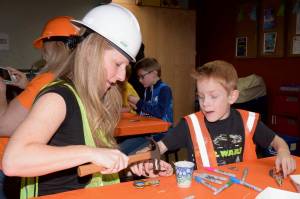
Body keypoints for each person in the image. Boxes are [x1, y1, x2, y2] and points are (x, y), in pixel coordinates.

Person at [2, 3, 142, 198]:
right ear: (91, 53)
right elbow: (13, 161)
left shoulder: (94, 100)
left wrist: (129, 169)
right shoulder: (58, 98)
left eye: (125, 67)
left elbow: (89, 173)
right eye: (118, 63)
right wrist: (90, 152)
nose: (121, 76)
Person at [131, 60, 296, 178]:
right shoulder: (190, 125)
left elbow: (277, 141)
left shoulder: (248, 120)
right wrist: (144, 161)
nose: (205, 104)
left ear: (232, 97)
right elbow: (158, 147)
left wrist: (283, 151)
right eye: (201, 97)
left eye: (213, 96)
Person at [0, 16, 80, 136]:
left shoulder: (47, 80)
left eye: (45, 43)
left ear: (58, 45)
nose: (42, 50)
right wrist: (28, 85)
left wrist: (0, 90)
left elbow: (3, 127)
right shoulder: (79, 79)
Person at [119, 57, 173, 155]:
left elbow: (159, 113)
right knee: (120, 150)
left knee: (134, 155)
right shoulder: (147, 90)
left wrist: (139, 102)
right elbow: (146, 112)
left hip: (161, 134)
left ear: (154, 74)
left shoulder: (165, 90)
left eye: (142, 77)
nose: (140, 80)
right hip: (147, 132)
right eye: (138, 77)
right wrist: (137, 107)